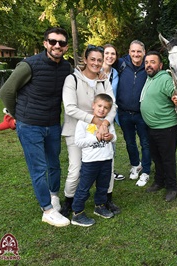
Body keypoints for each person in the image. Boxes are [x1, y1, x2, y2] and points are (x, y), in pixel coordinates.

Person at [0, 27, 71, 227]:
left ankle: (53, 196)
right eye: (53, 41)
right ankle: (47, 211)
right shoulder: (29, 65)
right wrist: (17, 115)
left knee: (54, 163)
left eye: (62, 43)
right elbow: (6, 91)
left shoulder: (66, 68)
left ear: (66, 47)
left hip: (53, 125)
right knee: (38, 168)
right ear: (45, 43)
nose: (57, 45)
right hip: (30, 126)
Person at [61, 45, 119, 217]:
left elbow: (113, 105)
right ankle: (69, 201)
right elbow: (70, 108)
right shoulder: (72, 80)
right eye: (92, 59)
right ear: (85, 60)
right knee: (75, 167)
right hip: (77, 129)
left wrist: (105, 123)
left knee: (107, 164)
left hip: (103, 128)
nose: (96, 63)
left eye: (99, 60)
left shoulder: (104, 80)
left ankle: (105, 199)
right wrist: (95, 121)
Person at [71, 93, 117, 226]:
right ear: (93, 106)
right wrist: (96, 138)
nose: (102, 109)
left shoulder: (108, 122)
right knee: (84, 187)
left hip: (106, 160)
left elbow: (115, 137)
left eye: (106, 108)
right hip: (90, 162)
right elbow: (79, 142)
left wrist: (110, 137)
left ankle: (100, 206)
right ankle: (77, 213)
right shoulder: (83, 122)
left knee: (103, 185)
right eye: (100, 106)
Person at [140, 51, 177, 202]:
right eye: (147, 62)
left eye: (153, 62)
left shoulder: (164, 78)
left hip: (166, 127)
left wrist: (176, 98)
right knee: (157, 157)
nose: (149, 65)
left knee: (167, 159)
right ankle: (159, 181)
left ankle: (171, 187)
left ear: (160, 65)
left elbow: (175, 94)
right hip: (152, 127)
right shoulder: (150, 78)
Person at [116, 40, 151, 186]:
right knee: (130, 142)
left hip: (142, 113)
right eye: (133, 51)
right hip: (124, 113)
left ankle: (146, 171)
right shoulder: (121, 64)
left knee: (146, 143)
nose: (136, 54)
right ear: (129, 52)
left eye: (139, 51)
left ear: (144, 52)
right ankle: (136, 165)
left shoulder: (149, 67)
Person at [102, 44, 124, 181]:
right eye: (107, 53)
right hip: (95, 113)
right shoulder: (95, 70)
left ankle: (110, 172)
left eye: (113, 54)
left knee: (111, 143)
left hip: (110, 114)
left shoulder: (115, 74)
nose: (110, 56)